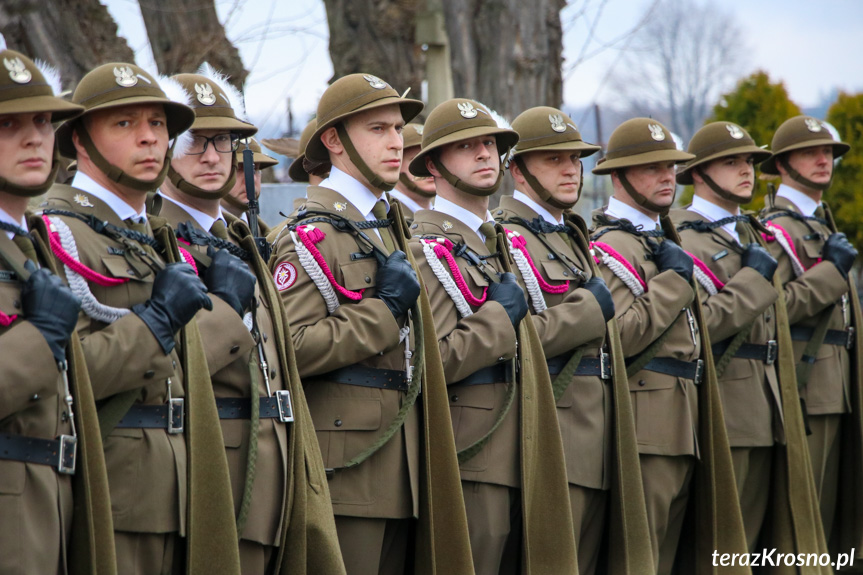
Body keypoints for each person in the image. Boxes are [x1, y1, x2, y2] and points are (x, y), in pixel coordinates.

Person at [39, 61, 240, 574]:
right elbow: (62, 374)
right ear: (80, 141)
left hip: (177, 485)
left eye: (158, 124)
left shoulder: (148, 233)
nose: (150, 139)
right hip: (114, 490)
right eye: (125, 124)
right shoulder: (60, 232)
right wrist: (156, 322)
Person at [267, 73, 472, 575]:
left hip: (408, 462)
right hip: (349, 469)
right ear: (334, 141)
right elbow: (290, 348)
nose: (396, 142)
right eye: (377, 129)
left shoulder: (386, 226)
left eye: (398, 129)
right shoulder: (310, 236)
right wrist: (382, 311)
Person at [408, 98, 577, 575]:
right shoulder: (427, 248)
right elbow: (435, 361)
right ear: (434, 166)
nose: (484, 154)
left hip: (530, 442)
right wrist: (500, 319)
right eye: (464, 147)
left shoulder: (498, 241)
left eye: (488, 144)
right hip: (475, 455)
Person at [0, 40, 115, 575]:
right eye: (8, 125)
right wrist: (38, 337)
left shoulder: (35, 243)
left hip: (57, 508)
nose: (33, 138)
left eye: (44, 121)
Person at [590, 118, 700, 574]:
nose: (667, 175)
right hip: (646, 423)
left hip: (681, 420)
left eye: (671, 165)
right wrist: (674, 282)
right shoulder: (611, 244)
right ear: (618, 176)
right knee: (639, 561)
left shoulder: (660, 238)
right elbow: (621, 335)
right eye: (651, 166)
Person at [671, 121, 782, 550]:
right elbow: (697, 326)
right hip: (723, 407)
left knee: (757, 546)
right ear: (698, 173)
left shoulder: (752, 232)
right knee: (722, 546)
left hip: (766, 405)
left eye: (751, 161)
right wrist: (753, 280)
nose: (747, 170)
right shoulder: (684, 238)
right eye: (731, 162)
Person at [759, 115, 862, 558]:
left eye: (829, 153)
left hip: (835, 386)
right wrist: (832, 273)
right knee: (801, 526)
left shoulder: (820, 223)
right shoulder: (773, 229)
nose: (824, 160)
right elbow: (771, 309)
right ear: (782, 164)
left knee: (831, 525)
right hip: (804, 388)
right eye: (810, 153)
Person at [221, 136, 279, 235]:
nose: (252, 179)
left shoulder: (265, 234)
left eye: (255, 170)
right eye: (238, 169)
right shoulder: (203, 230)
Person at [388, 122, 435, 223]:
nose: (430, 168)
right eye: (418, 160)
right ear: (397, 162)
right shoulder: (388, 215)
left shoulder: (444, 215)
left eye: (435, 160)